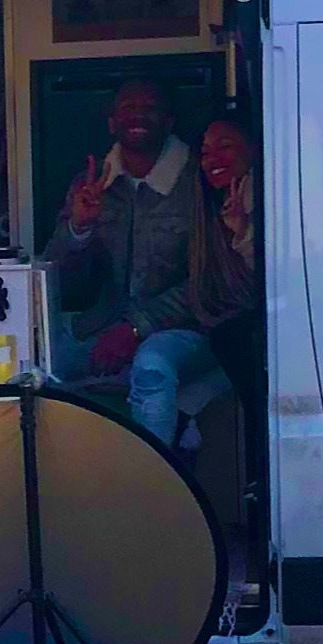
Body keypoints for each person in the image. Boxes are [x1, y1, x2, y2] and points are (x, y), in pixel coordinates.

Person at [44, 77, 208, 421]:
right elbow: (60, 282)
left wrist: (136, 328)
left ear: (169, 121)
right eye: (128, 107)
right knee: (41, 366)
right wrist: (79, 228)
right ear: (112, 122)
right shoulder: (92, 184)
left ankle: (151, 458)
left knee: (152, 366)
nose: (138, 115)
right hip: (102, 326)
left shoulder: (199, 182)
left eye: (150, 107)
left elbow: (210, 281)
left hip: (183, 330)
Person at [124, 111, 261, 454]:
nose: (213, 159)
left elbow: (277, 283)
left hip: (254, 334)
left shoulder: (267, 198)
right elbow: (202, 288)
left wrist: (243, 233)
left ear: (255, 149)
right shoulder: (206, 204)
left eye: (225, 147)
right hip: (207, 326)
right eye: (206, 152)